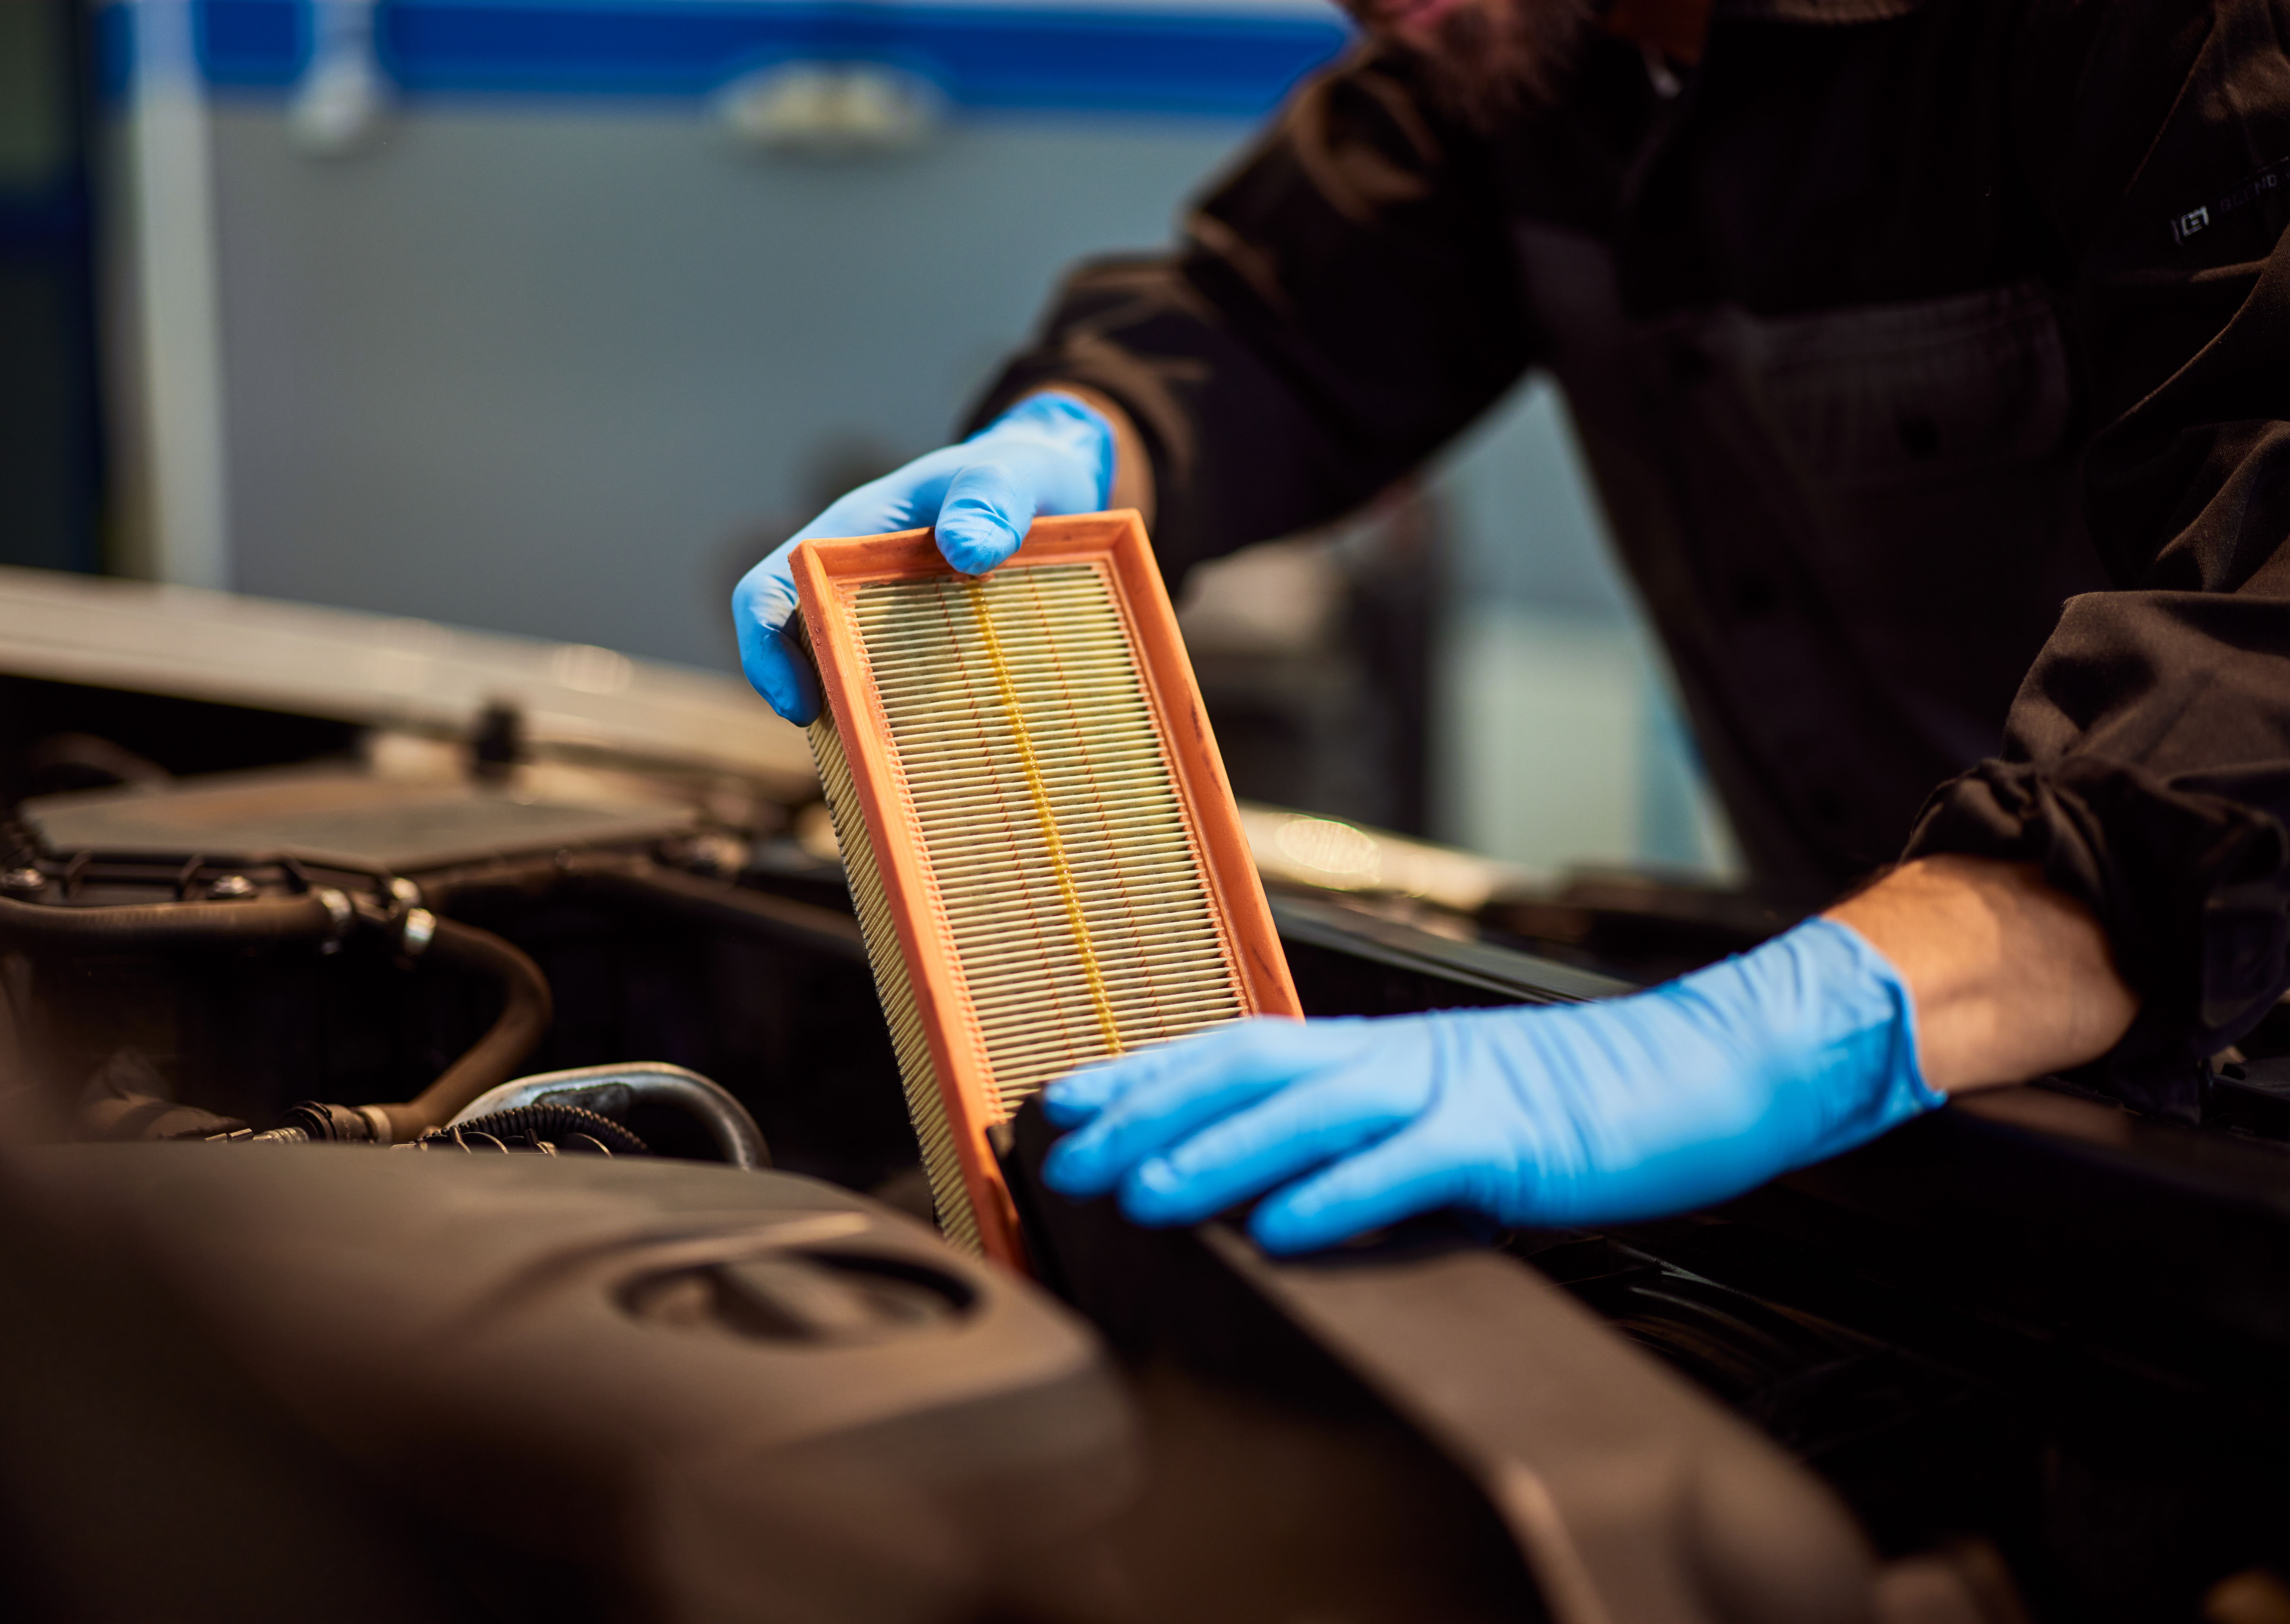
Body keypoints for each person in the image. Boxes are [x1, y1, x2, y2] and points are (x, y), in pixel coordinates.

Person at [732, 0, 2290, 1255]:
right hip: (1900, 1109)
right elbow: (1267, 323)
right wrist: (1083, 441)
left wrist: (1765, 1043)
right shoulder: (1505, 53)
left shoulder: (2176, 39)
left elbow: (2257, 662)